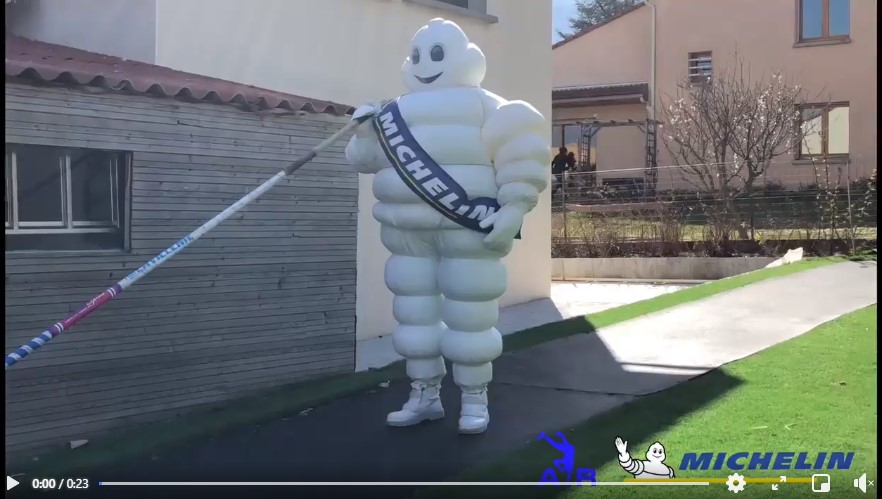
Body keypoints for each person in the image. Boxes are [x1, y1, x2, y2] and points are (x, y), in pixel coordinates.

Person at [344, 18, 549, 435]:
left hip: (468, 228)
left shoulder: (486, 105)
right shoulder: (390, 113)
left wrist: (513, 209)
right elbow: (363, 161)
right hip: (404, 232)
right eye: (418, 55)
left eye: (436, 54)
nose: (425, 63)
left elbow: (521, 153)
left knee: (470, 313)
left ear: (466, 57)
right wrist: (365, 132)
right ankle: (425, 394)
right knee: (414, 314)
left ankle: (475, 398)